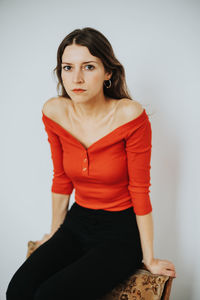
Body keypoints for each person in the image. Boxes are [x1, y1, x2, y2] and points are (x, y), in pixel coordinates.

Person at [6, 27, 176, 300]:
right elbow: (61, 179)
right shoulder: (54, 112)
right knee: (18, 291)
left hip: (120, 233)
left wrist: (150, 258)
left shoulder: (129, 115)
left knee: (50, 296)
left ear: (108, 72)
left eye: (88, 67)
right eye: (68, 67)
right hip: (77, 222)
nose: (77, 78)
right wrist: (53, 233)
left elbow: (140, 190)